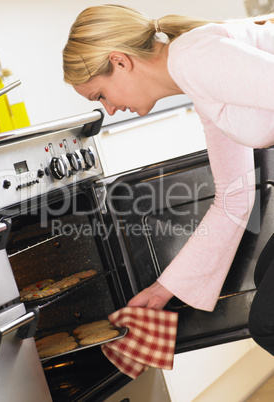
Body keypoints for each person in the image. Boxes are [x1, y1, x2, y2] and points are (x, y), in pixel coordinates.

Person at [62, 5, 274, 317]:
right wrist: (164, 289)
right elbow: (234, 194)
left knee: (267, 321)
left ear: (119, 61)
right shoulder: (194, 75)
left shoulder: (192, 58)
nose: (108, 110)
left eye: (101, 95)